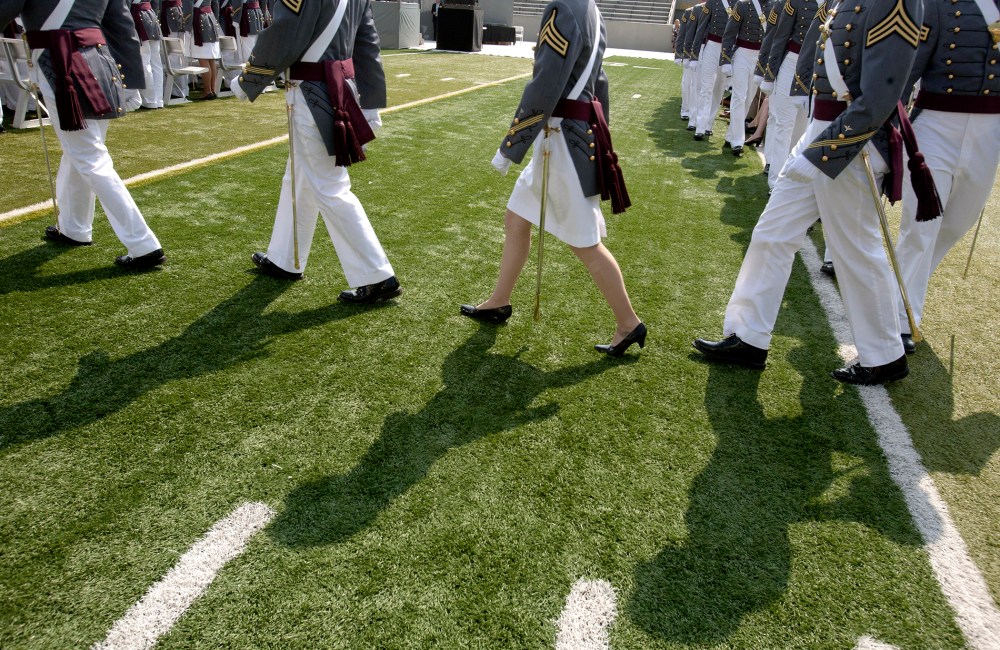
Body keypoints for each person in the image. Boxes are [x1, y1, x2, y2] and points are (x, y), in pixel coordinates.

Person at [693, 0, 926, 384]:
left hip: (851, 144)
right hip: (820, 131)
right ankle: (748, 335)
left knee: (855, 247)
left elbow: (883, 94)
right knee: (773, 232)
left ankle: (885, 355)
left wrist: (828, 148)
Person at [462, 0, 645, 357]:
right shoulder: (589, 8)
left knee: (585, 242)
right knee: (516, 219)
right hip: (569, 137)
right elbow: (599, 83)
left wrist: (510, 145)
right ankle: (499, 300)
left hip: (561, 143)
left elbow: (545, 83)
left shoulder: (564, 7)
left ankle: (628, 323)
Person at [231, 0, 402, 303]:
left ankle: (376, 275)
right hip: (339, 90)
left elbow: (285, 31)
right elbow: (367, 44)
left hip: (312, 93)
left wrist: (249, 79)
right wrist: (371, 102)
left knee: (330, 186)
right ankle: (286, 258)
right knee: (298, 175)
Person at [2, 0, 166, 269]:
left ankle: (143, 244)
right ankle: (74, 227)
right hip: (101, 62)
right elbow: (122, 26)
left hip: (59, 64)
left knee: (89, 156)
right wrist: (133, 80)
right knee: (80, 150)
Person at [758, 0, 823, 189]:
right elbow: (779, 38)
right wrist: (768, 76)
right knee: (783, 123)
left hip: (819, 66)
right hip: (792, 64)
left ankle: (794, 178)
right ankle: (777, 182)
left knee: (804, 127)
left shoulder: (835, 4)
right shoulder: (794, 2)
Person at [719, 0, 766, 155]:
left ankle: (731, 134)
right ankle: (738, 141)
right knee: (739, 96)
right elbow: (730, 33)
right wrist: (725, 59)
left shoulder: (774, 5)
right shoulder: (743, 5)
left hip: (760, 57)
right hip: (742, 54)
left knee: (749, 98)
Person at [690, 0, 732, 140]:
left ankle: (709, 123)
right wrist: (695, 55)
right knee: (706, 87)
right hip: (712, 45)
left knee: (719, 87)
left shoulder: (740, 3)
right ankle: (700, 126)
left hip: (728, 48)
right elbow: (701, 27)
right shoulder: (713, 2)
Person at [126, 0, 165, 109]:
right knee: (156, 63)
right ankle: (157, 99)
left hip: (138, 17)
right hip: (151, 16)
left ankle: (150, 99)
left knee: (145, 61)